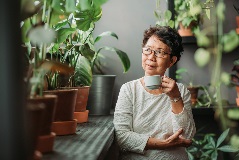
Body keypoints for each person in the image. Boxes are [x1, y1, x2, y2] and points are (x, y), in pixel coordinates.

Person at [113, 25, 196, 160]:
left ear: (171, 60)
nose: (151, 57)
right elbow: (122, 136)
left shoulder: (180, 91)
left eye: (160, 52)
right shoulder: (129, 90)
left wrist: (175, 97)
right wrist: (163, 144)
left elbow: (186, 136)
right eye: (148, 50)